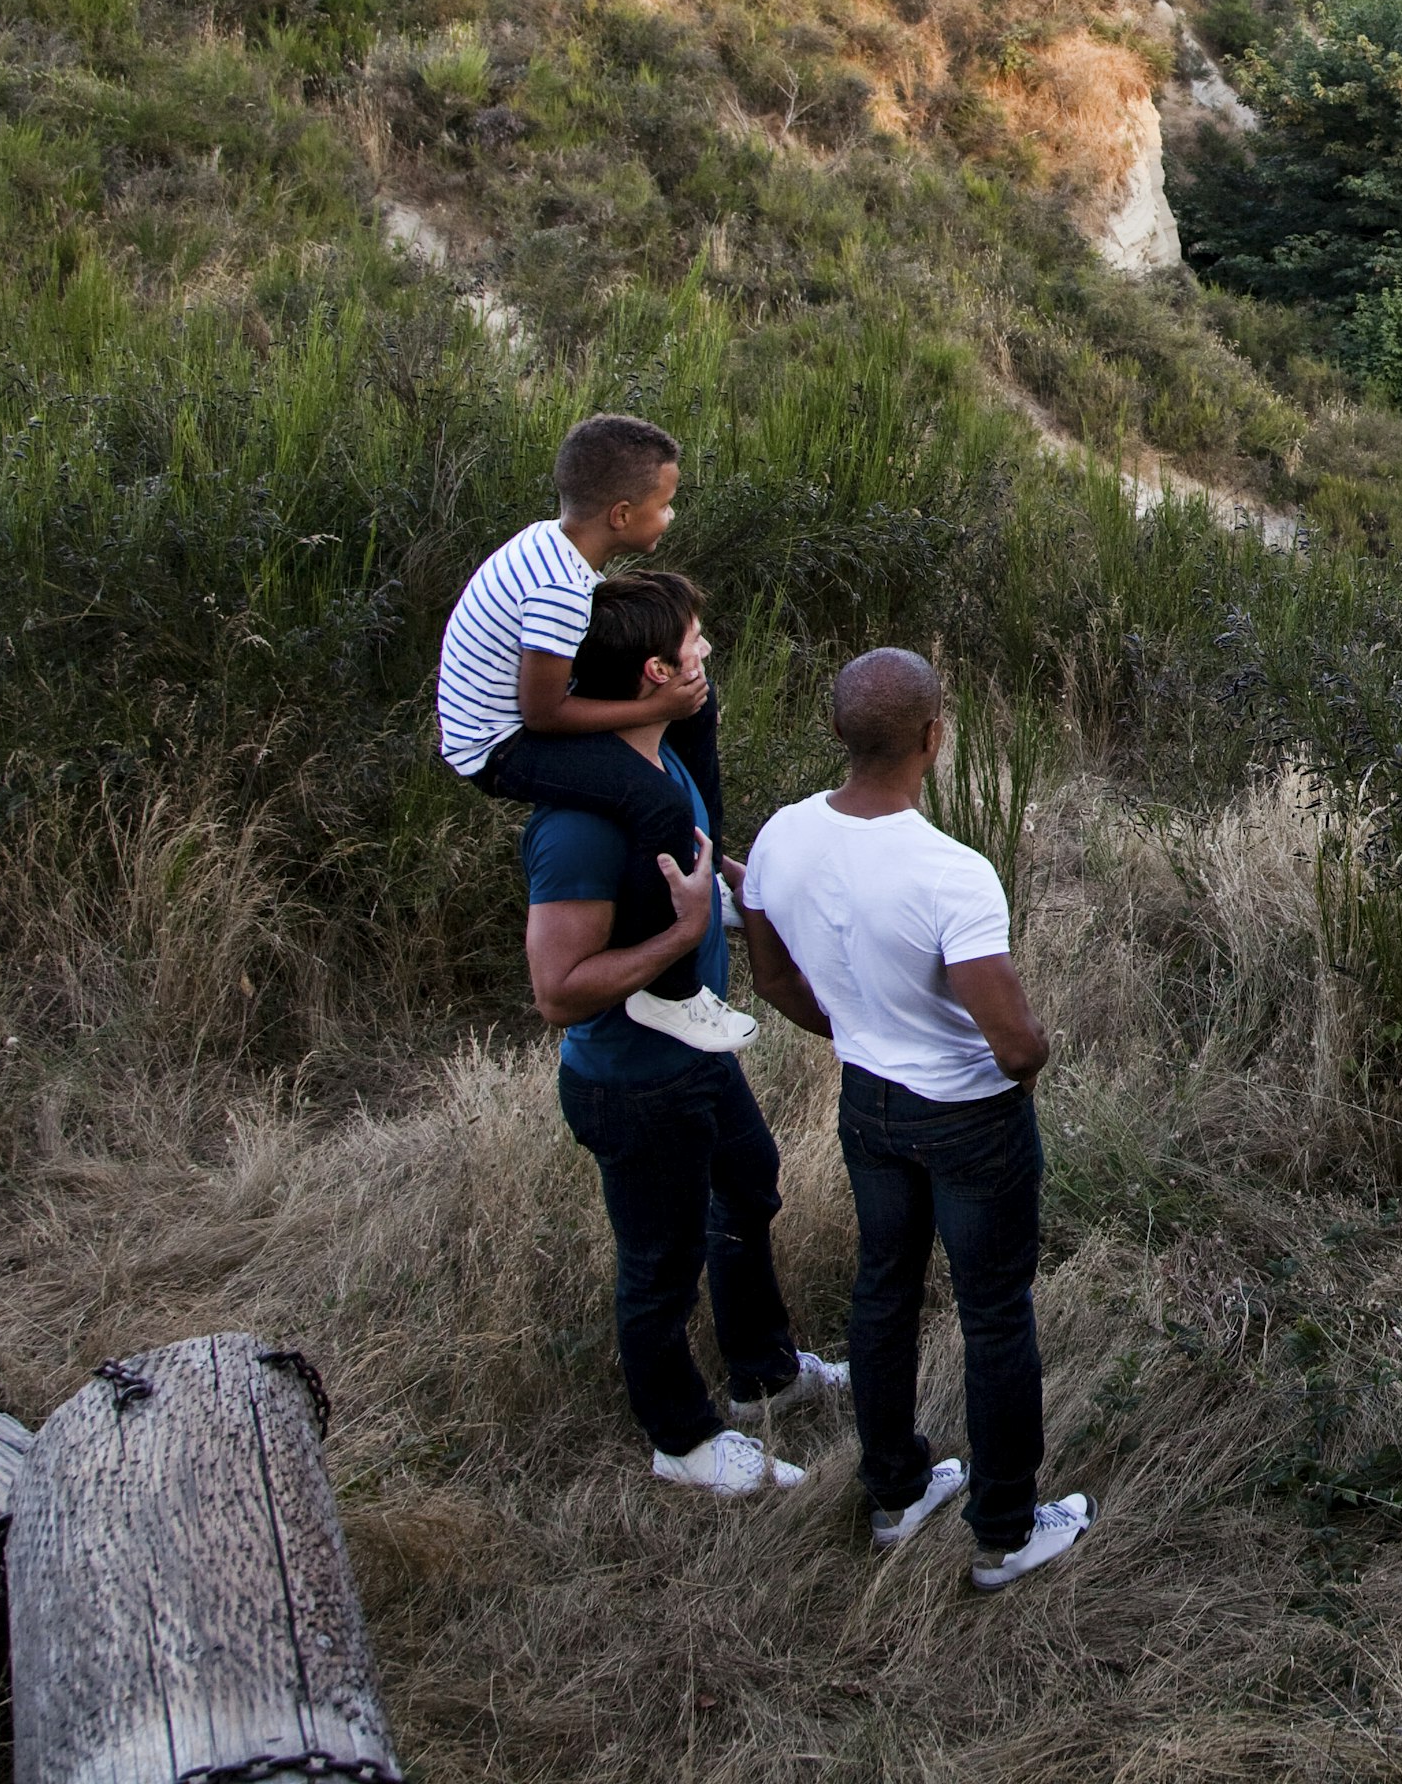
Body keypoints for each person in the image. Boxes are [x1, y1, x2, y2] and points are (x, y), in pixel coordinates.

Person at [739, 648, 1094, 1589]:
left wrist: (849, 1027)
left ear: (841, 733)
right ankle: (1007, 1531)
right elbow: (1015, 1044)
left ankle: (896, 1492)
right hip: (969, 1116)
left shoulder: (781, 837)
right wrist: (1024, 1062)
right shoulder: (952, 874)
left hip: (869, 1104)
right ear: (934, 739)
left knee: (884, 1291)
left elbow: (773, 972)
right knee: (994, 1314)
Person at [525, 570, 846, 1494]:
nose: (710, 653)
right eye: (697, 642)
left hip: (696, 1055)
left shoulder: (656, 765)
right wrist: (676, 932)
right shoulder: (582, 824)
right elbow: (559, 990)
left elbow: (704, 868)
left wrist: (775, 894)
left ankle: (763, 1373)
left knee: (748, 1187)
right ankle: (684, 1442)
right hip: (631, 1082)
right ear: (658, 668)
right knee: (658, 1266)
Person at [440, 412, 753, 1052]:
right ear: (620, 514)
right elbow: (542, 715)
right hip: (497, 746)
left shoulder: (556, 544)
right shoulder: (561, 588)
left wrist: (674, 701)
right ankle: (669, 993)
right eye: (664, 506)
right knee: (654, 799)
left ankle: (706, 873)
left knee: (695, 703)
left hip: (519, 714)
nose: (670, 518)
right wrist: (648, 707)